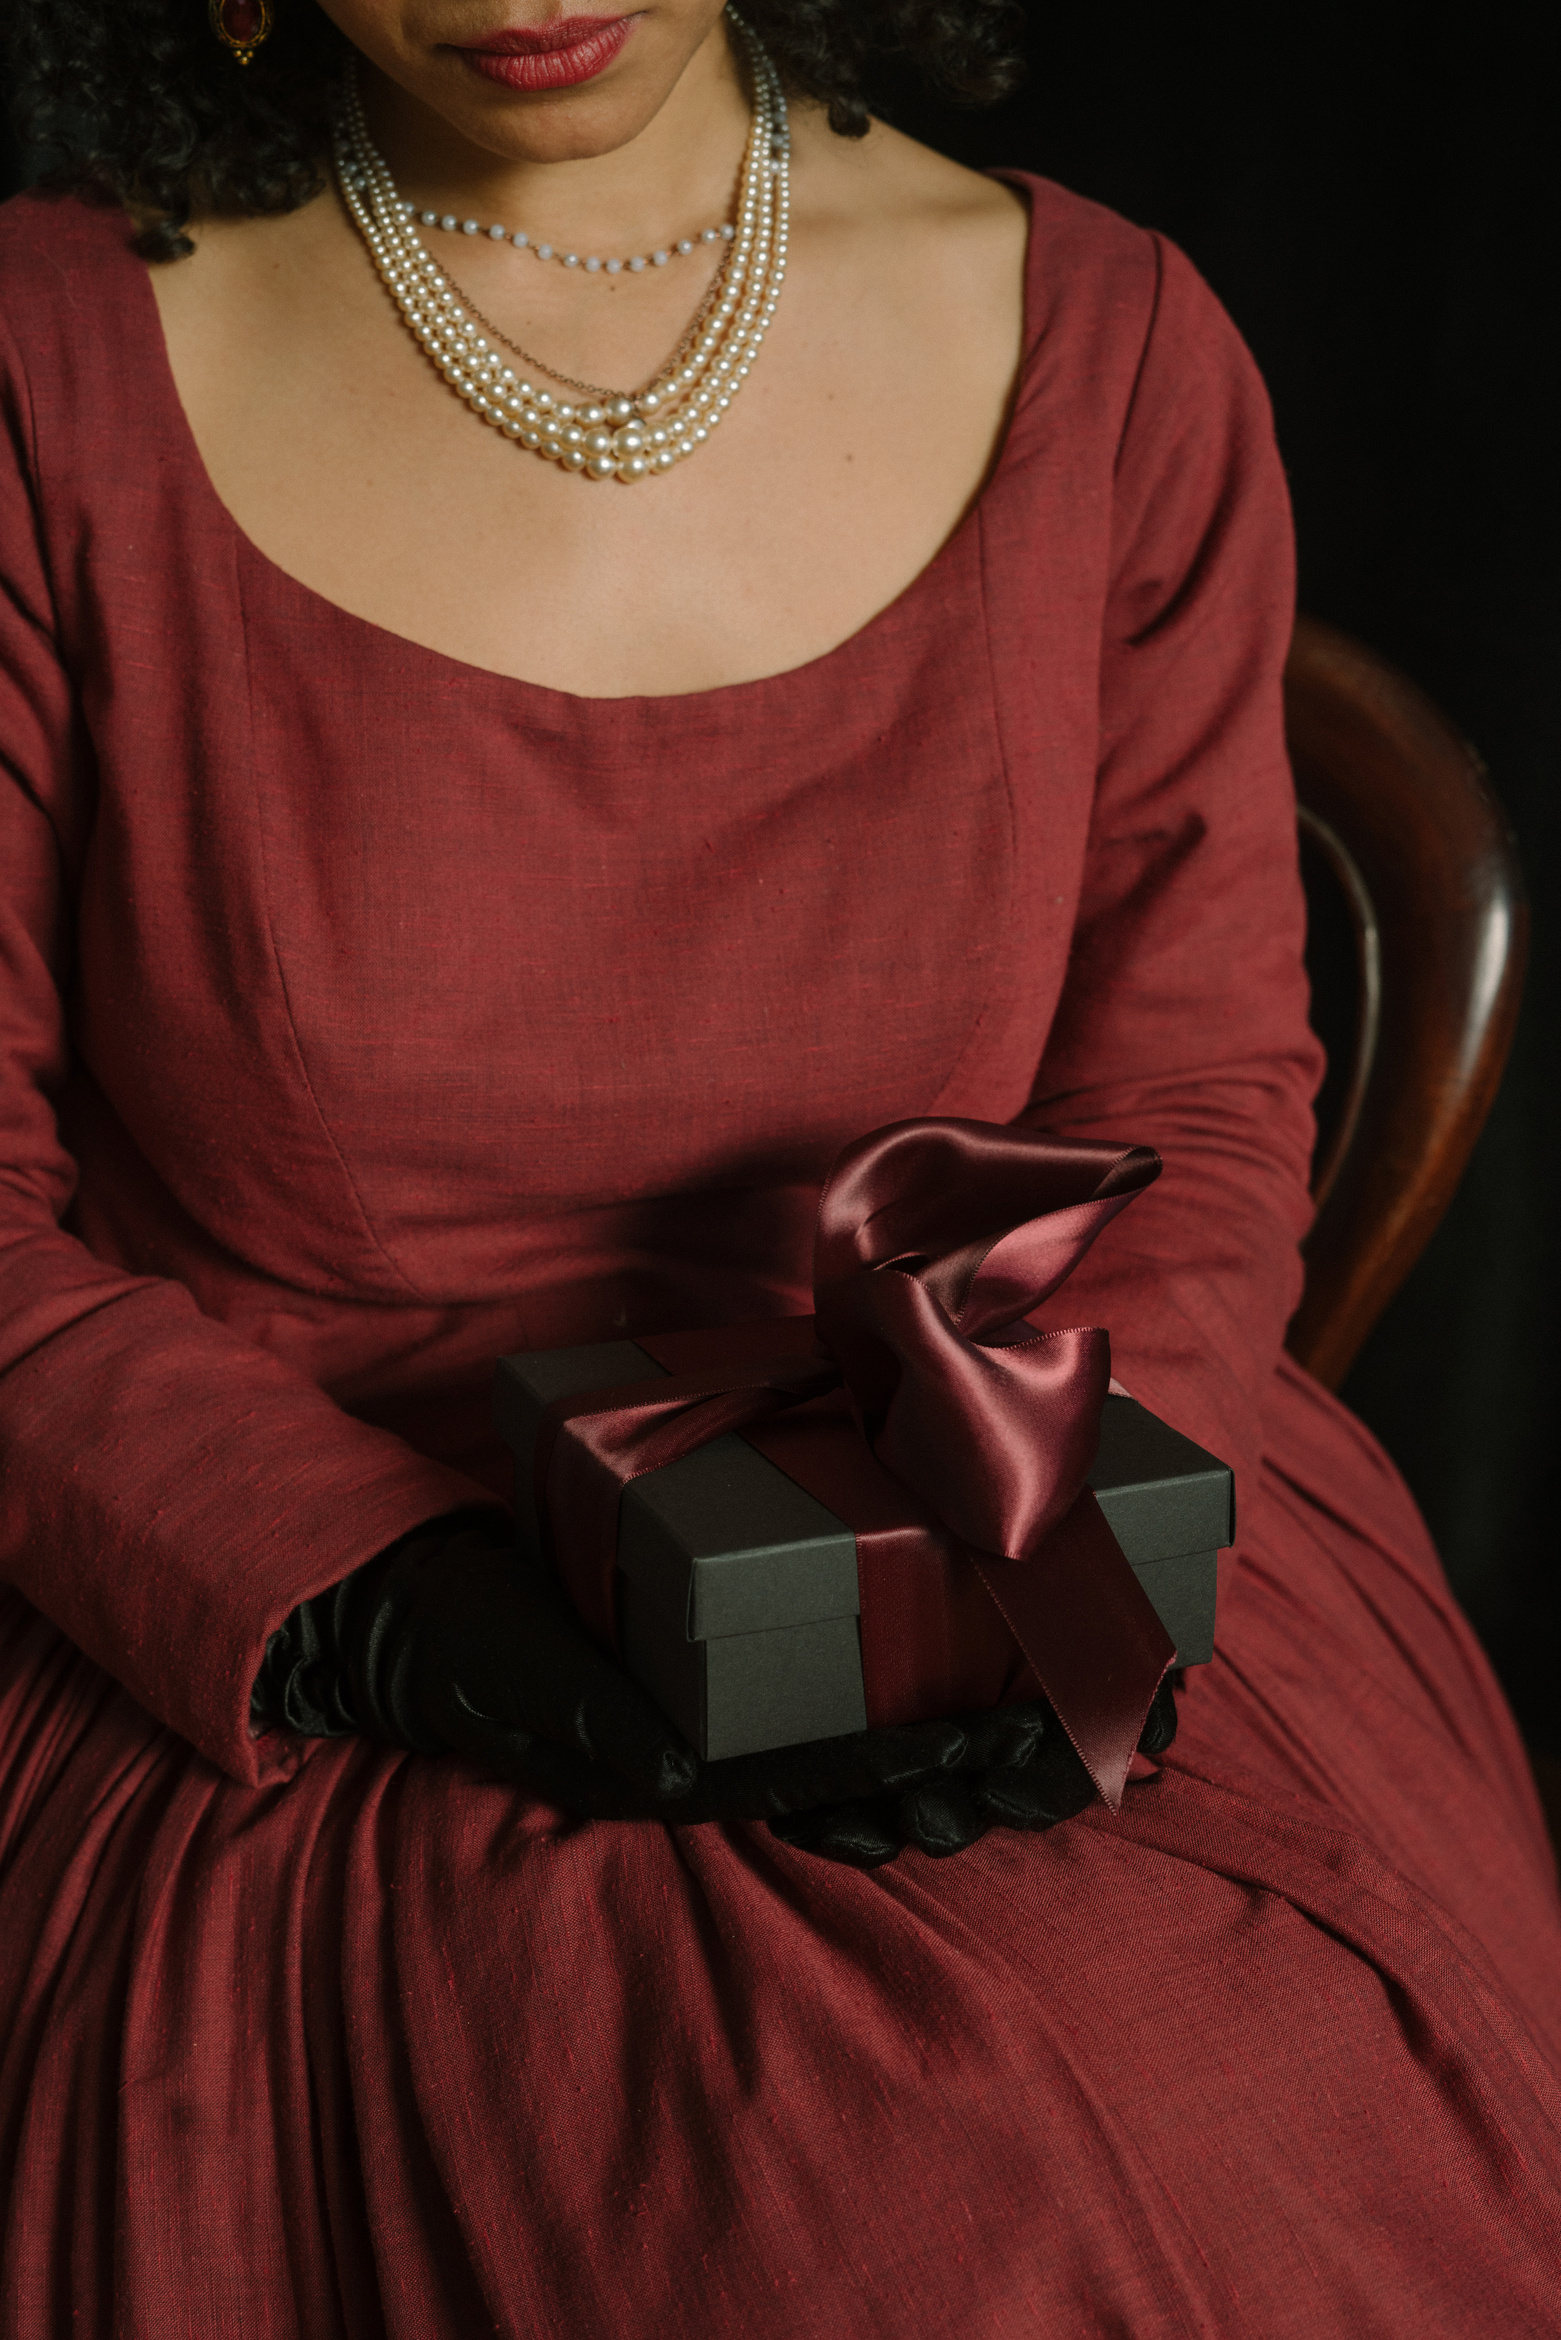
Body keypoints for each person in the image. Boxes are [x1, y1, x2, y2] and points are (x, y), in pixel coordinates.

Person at [1, 1, 1557, 2330]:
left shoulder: (1114, 345)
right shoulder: (43, 367)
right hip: (291, 1608)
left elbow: (1202, 1096)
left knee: (1225, 2133)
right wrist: (381, 1608)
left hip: (994, 1502)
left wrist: (1055, 1563)